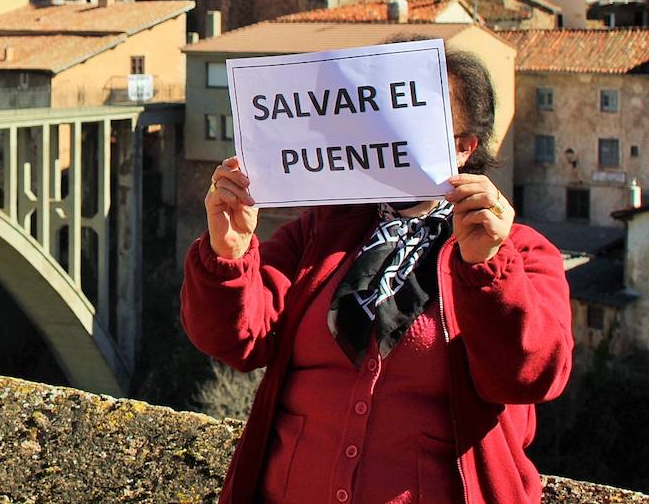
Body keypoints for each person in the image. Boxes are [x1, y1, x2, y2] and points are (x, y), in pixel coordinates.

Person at [181, 49, 572, 504]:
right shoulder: (321, 230)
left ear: (465, 146)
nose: (394, 131)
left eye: (416, 117)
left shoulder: (520, 251)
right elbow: (234, 340)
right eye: (383, 114)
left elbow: (531, 377)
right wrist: (228, 254)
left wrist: (487, 267)